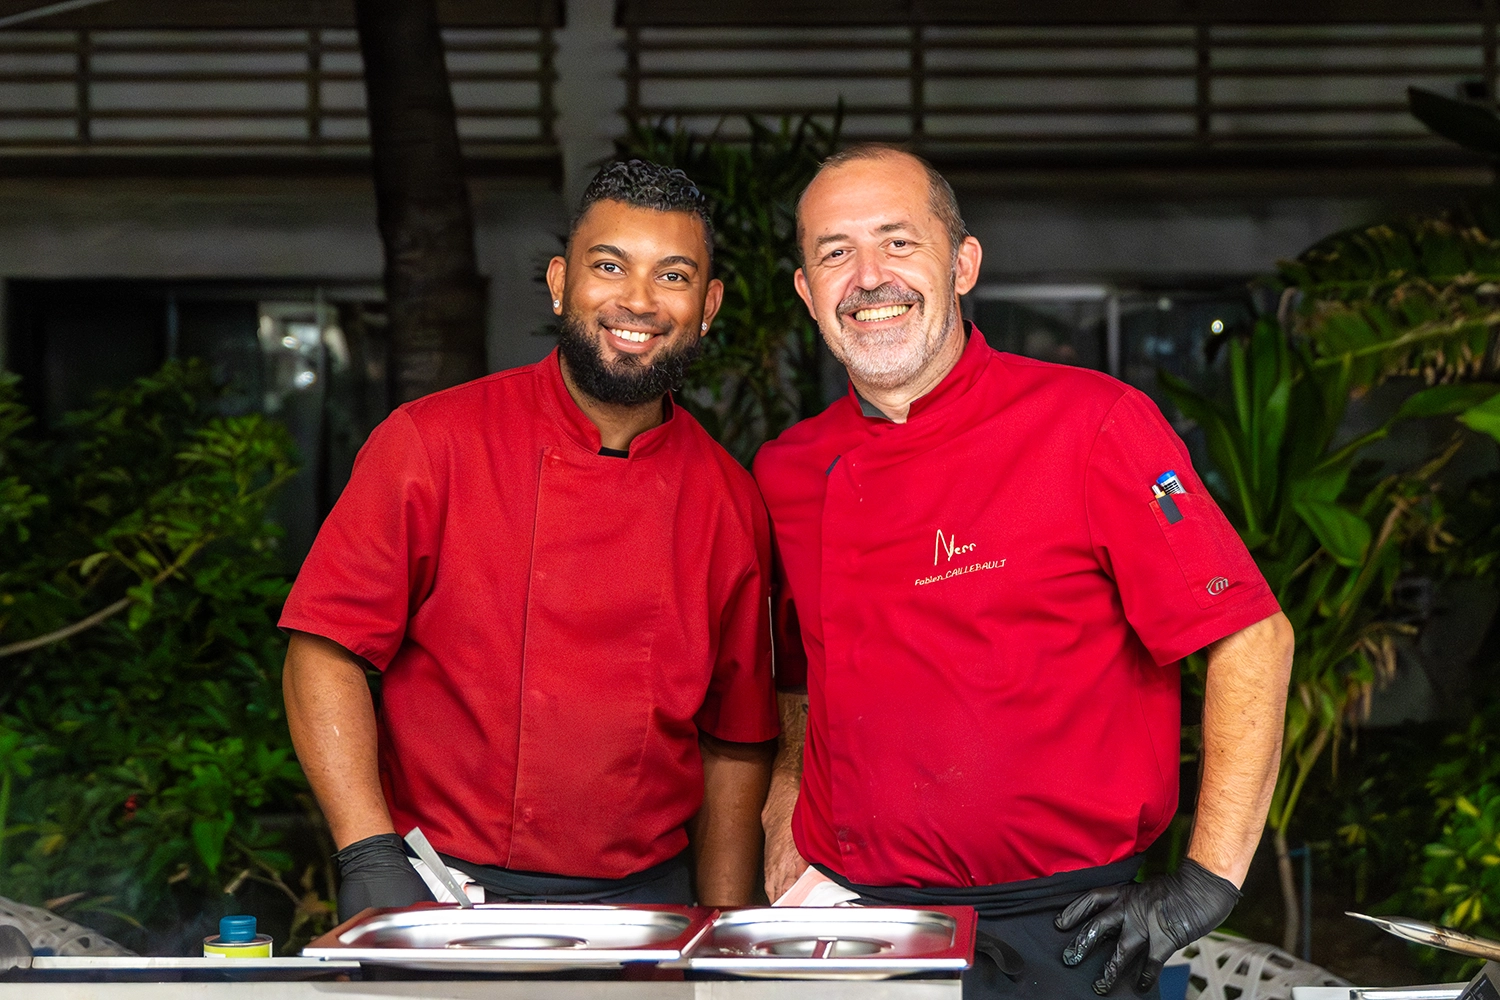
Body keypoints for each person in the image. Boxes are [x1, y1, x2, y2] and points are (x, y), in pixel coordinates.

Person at [754, 144, 1295, 999]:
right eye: (834, 252)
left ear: (962, 263)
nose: (867, 277)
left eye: (898, 243)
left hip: (1070, 936)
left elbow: (1250, 636)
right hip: (859, 932)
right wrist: (786, 812)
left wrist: (1206, 882)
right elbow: (798, 670)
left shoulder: (1092, 426)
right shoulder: (786, 470)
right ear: (806, 291)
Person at [281, 160, 779, 921]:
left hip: (646, 912)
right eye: (608, 266)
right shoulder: (432, 443)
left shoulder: (728, 500)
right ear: (558, 282)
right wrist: (369, 852)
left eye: (672, 276)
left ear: (708, 305)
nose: (637, 301)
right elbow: (326, 648)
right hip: (440, 894)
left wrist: (716, 929)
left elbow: (735, 741)